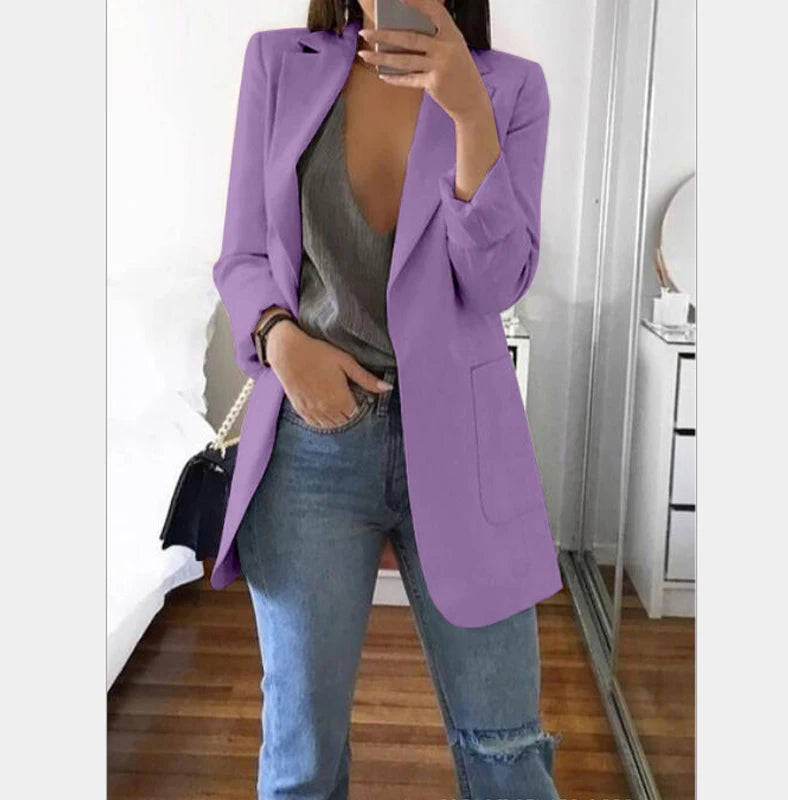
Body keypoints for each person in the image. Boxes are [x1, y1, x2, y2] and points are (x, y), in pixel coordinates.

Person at [213, 1, 563, 797]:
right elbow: (241, 255)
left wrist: (469, 113)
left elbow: (497, 282)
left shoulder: (511, 89)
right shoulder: (278, 64)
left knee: (507, 753)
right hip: (310, 445)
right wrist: (280, 339)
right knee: (300, 763)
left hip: (464, 449)